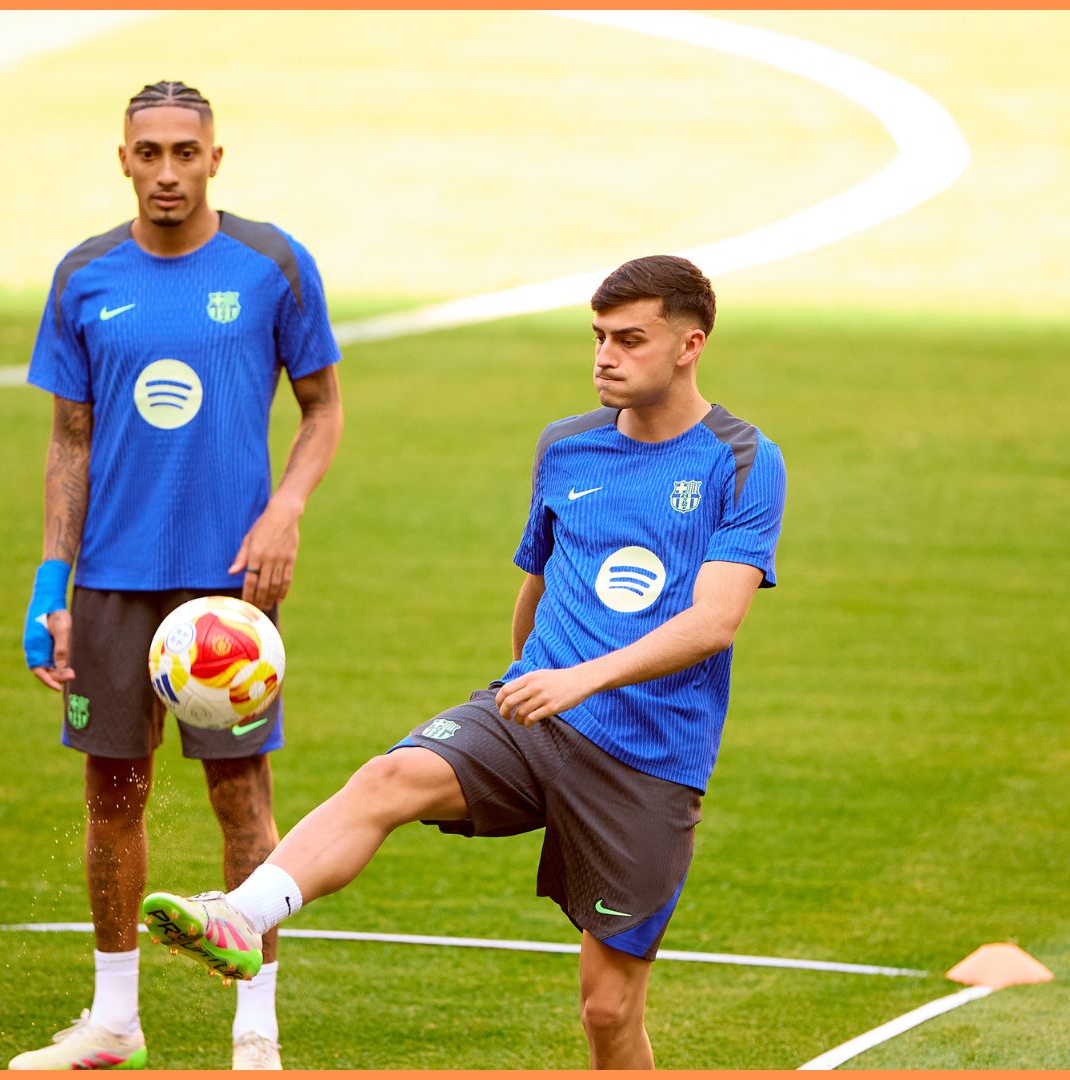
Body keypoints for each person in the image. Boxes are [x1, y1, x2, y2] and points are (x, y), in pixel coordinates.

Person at [141, 255, 784, 1069]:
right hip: (533, 712)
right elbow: (539, 584)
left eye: (630, 340)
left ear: (691, 345)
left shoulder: (742, 459)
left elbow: (714, 623)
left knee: (607, 1009)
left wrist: (581, 678)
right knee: (387, 779)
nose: (604, 357)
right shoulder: (567, 447)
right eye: (597, 337)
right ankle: (244, 914)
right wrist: (529, 677)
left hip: (648, 759)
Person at [9, 80, 344, 1072]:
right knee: (112, 797)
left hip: (225, 595)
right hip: (112, 580)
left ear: (214, 159)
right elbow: (70, 442)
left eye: (183, 154)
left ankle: (257, 1030)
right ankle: (114, 1021)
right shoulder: (84, 276)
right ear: (123, 159)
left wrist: (284, 509)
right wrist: (48, 586)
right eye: (147, 153)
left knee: (241, 800)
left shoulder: (272, 267)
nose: (166, 172)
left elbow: (322, 410)